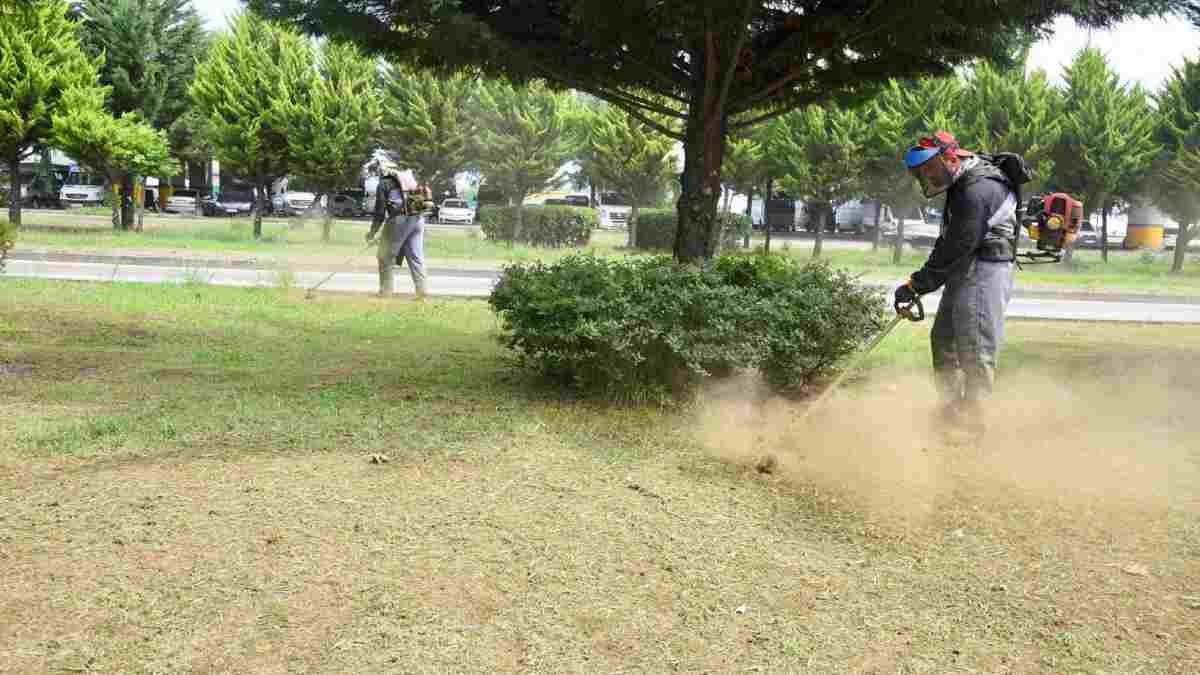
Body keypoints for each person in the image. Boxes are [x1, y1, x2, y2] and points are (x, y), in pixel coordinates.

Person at [894, 131, 1017, 435]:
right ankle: (950, 411)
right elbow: (950, 239)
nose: (927, 177)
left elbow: (957, 244)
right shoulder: (962, 181)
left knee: (975, 350)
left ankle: (974, 424)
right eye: (922, 173)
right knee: (944, 339)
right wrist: (919, 281)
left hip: (985, 269)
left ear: (951, 158)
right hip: (967, 265)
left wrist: (918, 284)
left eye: (931, 169)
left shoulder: (977, 190)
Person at [366, 161, 430, 299]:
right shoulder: (411, 178)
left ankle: (385, 291)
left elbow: (379, 212)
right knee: (415, 256)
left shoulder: (384, 183)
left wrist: (372, 232)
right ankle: (422, 291)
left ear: (383, 169)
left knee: (384, 256)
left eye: (376, 170)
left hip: (400, 220)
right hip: (418, 219)